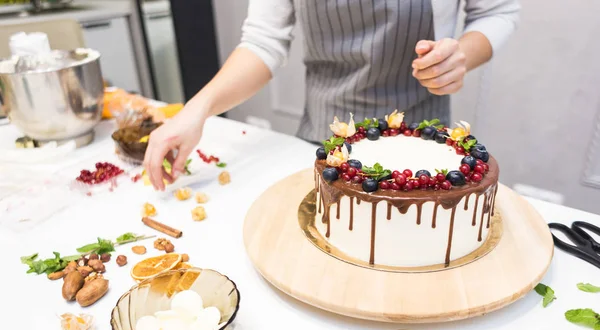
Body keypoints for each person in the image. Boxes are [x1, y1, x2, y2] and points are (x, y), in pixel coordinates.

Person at [144, 0, 520, 190]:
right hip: (324, 135)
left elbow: (497, 11)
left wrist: (461, 57)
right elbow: (263, 41)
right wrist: (198, 109)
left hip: (421, 143)